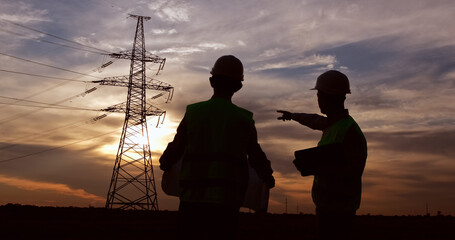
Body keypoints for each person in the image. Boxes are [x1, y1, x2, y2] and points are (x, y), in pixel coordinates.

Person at [160, 55, 275, 240]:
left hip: (192, 200)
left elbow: (176, 147)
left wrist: (166, 162)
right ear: (239, 86)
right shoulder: (244, 119)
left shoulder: (194, 113)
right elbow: (255, 155)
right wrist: (267, 176)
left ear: (211, 81)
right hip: (227, 203)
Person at [277, 70, 367, 240]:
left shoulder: (349, 131)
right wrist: (293, 116)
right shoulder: (334, 125)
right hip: (327, 207)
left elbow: (350, 171)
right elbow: (315, 120)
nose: (317, 98)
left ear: (328, 96)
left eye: (319, 94)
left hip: (340, 212)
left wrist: (316, 166)